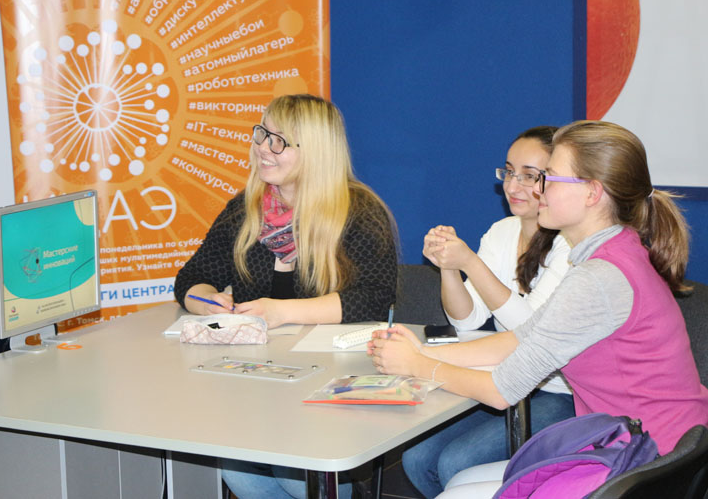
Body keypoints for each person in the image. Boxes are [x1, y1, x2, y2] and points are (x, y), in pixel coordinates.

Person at [370, 120, 708, 497]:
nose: (537, 189)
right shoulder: (614, 251)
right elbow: (521, 338)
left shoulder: (598, 278)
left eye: (549, 178)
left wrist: (418, 366)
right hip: (645, 446)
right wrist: (423, 352)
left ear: (592, 192)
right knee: (462, 483)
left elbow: (500, 391)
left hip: (646, 462)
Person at [174, 93, 398, 499]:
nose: (264, 148)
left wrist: (282, 311)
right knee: (237, 470)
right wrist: (209, 303)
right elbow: (191, 278)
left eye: (279, 141)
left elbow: (372, 298)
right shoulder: (245, 209)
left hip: (335, 379)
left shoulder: (359, 211)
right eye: (262, 134)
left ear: (315, 150)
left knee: (291, 469)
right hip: (262, 380)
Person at [402, 126, 575, 498]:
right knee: (417, 458)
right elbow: (465, 318)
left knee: (456, 462)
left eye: (529, 176)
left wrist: (470, 262)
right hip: (503, 377)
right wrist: (449, 267)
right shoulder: (502, 231)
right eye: (509, 172)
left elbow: (530, 332)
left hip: (561, 391)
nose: (512, 186)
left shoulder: (570, 245)